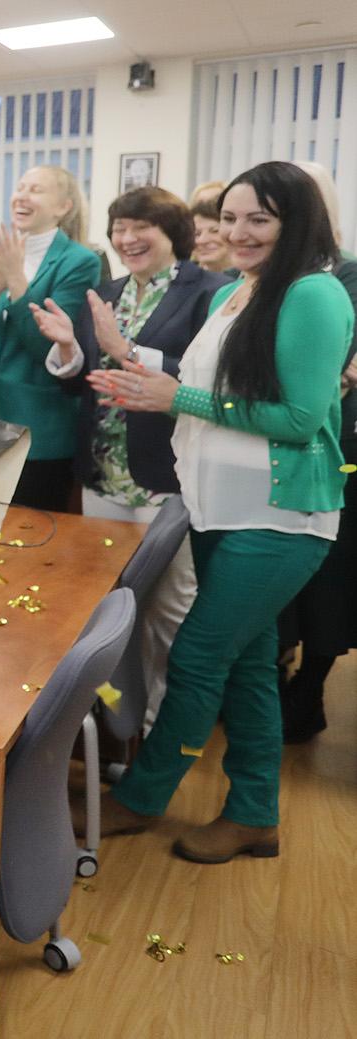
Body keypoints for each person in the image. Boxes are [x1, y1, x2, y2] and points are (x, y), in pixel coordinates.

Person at [84, 161, 353, 863]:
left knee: (200, 656)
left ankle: (140, 798)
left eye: (258, 219)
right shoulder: (235, 294)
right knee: (249, 666)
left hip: (282, 517)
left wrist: (177, 399)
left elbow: (299, 418)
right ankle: (254, 812)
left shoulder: (315, 294)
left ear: (296, 223)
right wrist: (149, 387)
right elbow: (196, 390)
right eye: (230, 218)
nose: (238, 232)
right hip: (219, 510)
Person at [32, 186, 231, 725]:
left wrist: (126, 351)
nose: (127, 239)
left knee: (169, 613)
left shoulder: (211, 290)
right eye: (119, 228)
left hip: (165, 481)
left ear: (173, 233)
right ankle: (120, 727)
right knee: (111, 614)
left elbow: (205, 377)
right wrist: (69, 350)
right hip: (104, 478)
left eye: (141, 227)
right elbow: (84, 387)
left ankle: (165, 731)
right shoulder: (107, 291)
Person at [0, 164, 102, 510]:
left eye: (35, 190)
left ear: (63, 207)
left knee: (32, 544)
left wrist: (17, 284)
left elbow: (51, 351)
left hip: (38, 429)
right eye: (20, 187)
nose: (21, 195)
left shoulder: (79, 262)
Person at [278, 161, 357, 742]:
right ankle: (280, 675)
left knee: (330, 579)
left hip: (336, 443)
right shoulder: (271, 275)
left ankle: (311, 686)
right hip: (275, 441)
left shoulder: (347, 275)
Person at [192, 198, 233, 273]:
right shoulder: (180, 279)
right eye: (197, 234)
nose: (202, 240)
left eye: (214, 231)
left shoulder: (254, 280)